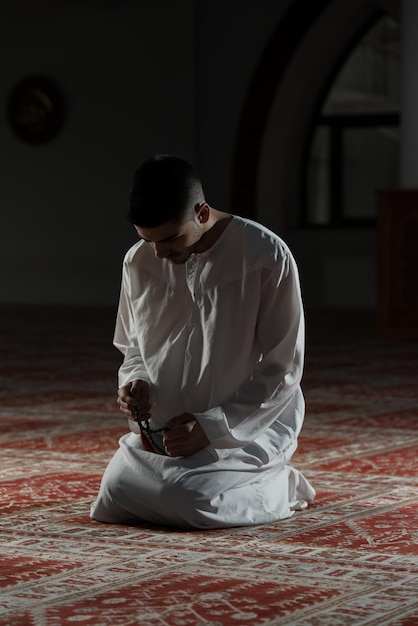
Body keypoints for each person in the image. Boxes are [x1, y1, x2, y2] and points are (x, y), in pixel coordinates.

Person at [90, 154, 315, 529]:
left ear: (202, 212)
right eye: (148, 241)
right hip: (168, 431)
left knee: (193, 502)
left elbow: (283, 368)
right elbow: (132, 348)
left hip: (246, 427)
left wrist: (212, 428)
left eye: (170, 239)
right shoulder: (139, 260)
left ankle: (280, 484)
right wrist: (135, 385)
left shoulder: (265, 256)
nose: (160, 253)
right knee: (113, 495)